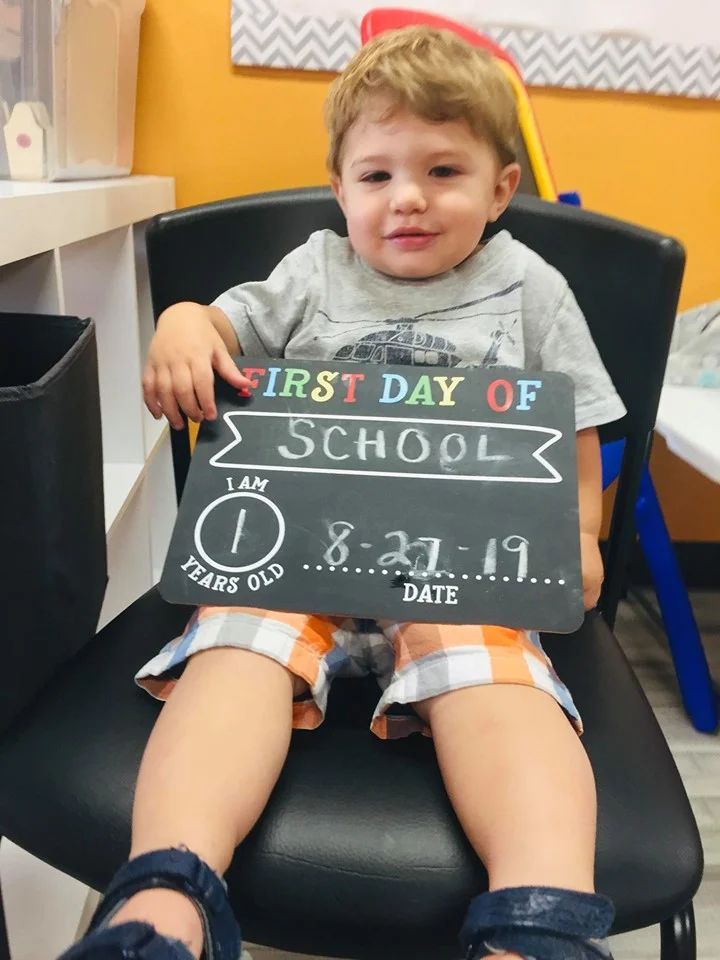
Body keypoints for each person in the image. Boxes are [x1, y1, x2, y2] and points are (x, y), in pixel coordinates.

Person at [61, 25, 624, 960]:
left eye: (444, 171)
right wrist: (183, 322)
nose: (408, 197)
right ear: (340, 188)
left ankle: (539, 923)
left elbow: (574, 426)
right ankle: (163, 899)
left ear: (501, 189)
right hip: (296, 560)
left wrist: (580, 531)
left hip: (463, 570)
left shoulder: (532, 288)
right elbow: (221, 324)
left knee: (499, 683)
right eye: (376, 175)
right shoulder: (313, 271)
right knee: (235, 651)